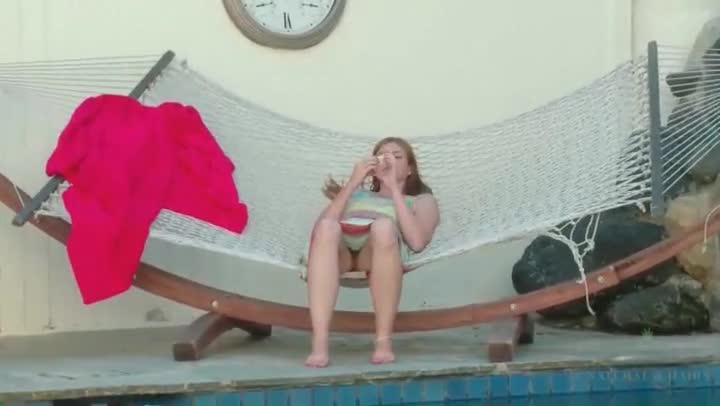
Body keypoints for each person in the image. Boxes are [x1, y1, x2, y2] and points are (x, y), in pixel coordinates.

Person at [304, 136, 440, 368]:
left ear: (409, 169)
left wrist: (394, 189)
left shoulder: (420, 201)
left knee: (383, 227)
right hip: (341, 251)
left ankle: (383, 342)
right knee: (327, 227)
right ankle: (319, 344)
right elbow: (317, 234)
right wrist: (353, 183)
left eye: (397, 156)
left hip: (379, 251)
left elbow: (417, 242)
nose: (388, 160)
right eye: (382, 156)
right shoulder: (355, 194)